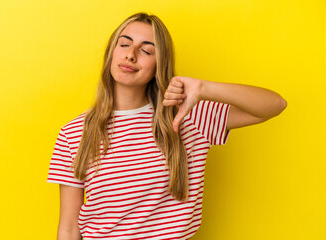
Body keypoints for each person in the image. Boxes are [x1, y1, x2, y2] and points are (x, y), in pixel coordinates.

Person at [47, 12, 287, 240]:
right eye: (124, 44)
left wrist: (203, 88)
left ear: (158, 65)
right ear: (111, 52)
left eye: (146, 50)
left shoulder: (187, 115)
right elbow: (68, 228)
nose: (131, 55)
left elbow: (274, 104)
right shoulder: (74, 132)